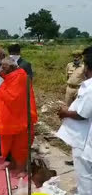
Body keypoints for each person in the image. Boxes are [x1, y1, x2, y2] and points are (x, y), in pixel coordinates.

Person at [0, 57, 38, 177]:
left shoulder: (20, 76)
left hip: (21, 118)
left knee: (20, 145)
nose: (2, 69)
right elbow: (6, 88)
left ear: (12, 67)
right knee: (12, 143)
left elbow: (13, 96)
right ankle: (13, 163)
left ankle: (22, 169)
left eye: (4, 68)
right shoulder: (13, 74)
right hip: (13, 117)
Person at [57, 46, 92, 195]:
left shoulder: (90, 88)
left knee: (85, 178)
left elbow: (82, 114)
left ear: (87, 67)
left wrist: (65, 113)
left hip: (84, 139)